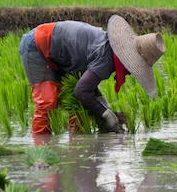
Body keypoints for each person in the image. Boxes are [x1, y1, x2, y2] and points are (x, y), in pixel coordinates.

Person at [19, 14, 166, 134]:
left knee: (79, 111)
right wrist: (106, 115)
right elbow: (81, 90)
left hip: (62, 55)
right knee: (47, 102)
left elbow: (88, 85)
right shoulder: (107, 59)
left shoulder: (110, 52)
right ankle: (40, 152)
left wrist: (105, 106)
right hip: (37, 45)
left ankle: (76, 151)